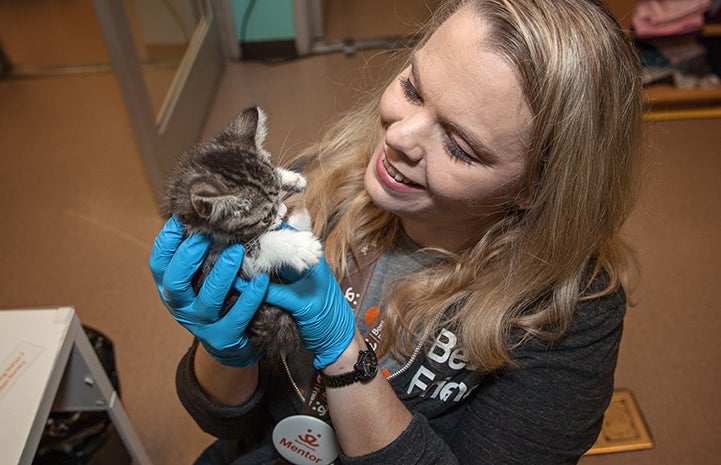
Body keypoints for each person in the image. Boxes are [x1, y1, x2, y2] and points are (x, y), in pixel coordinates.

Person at [149, 0, 644, 463]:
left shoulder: (569, 315)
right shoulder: (315, 185)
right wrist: (226, 352)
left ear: (535, 188)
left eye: (459, 145)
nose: (398, 135)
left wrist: (344, 353)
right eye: (413, 88)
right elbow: (217, 417)